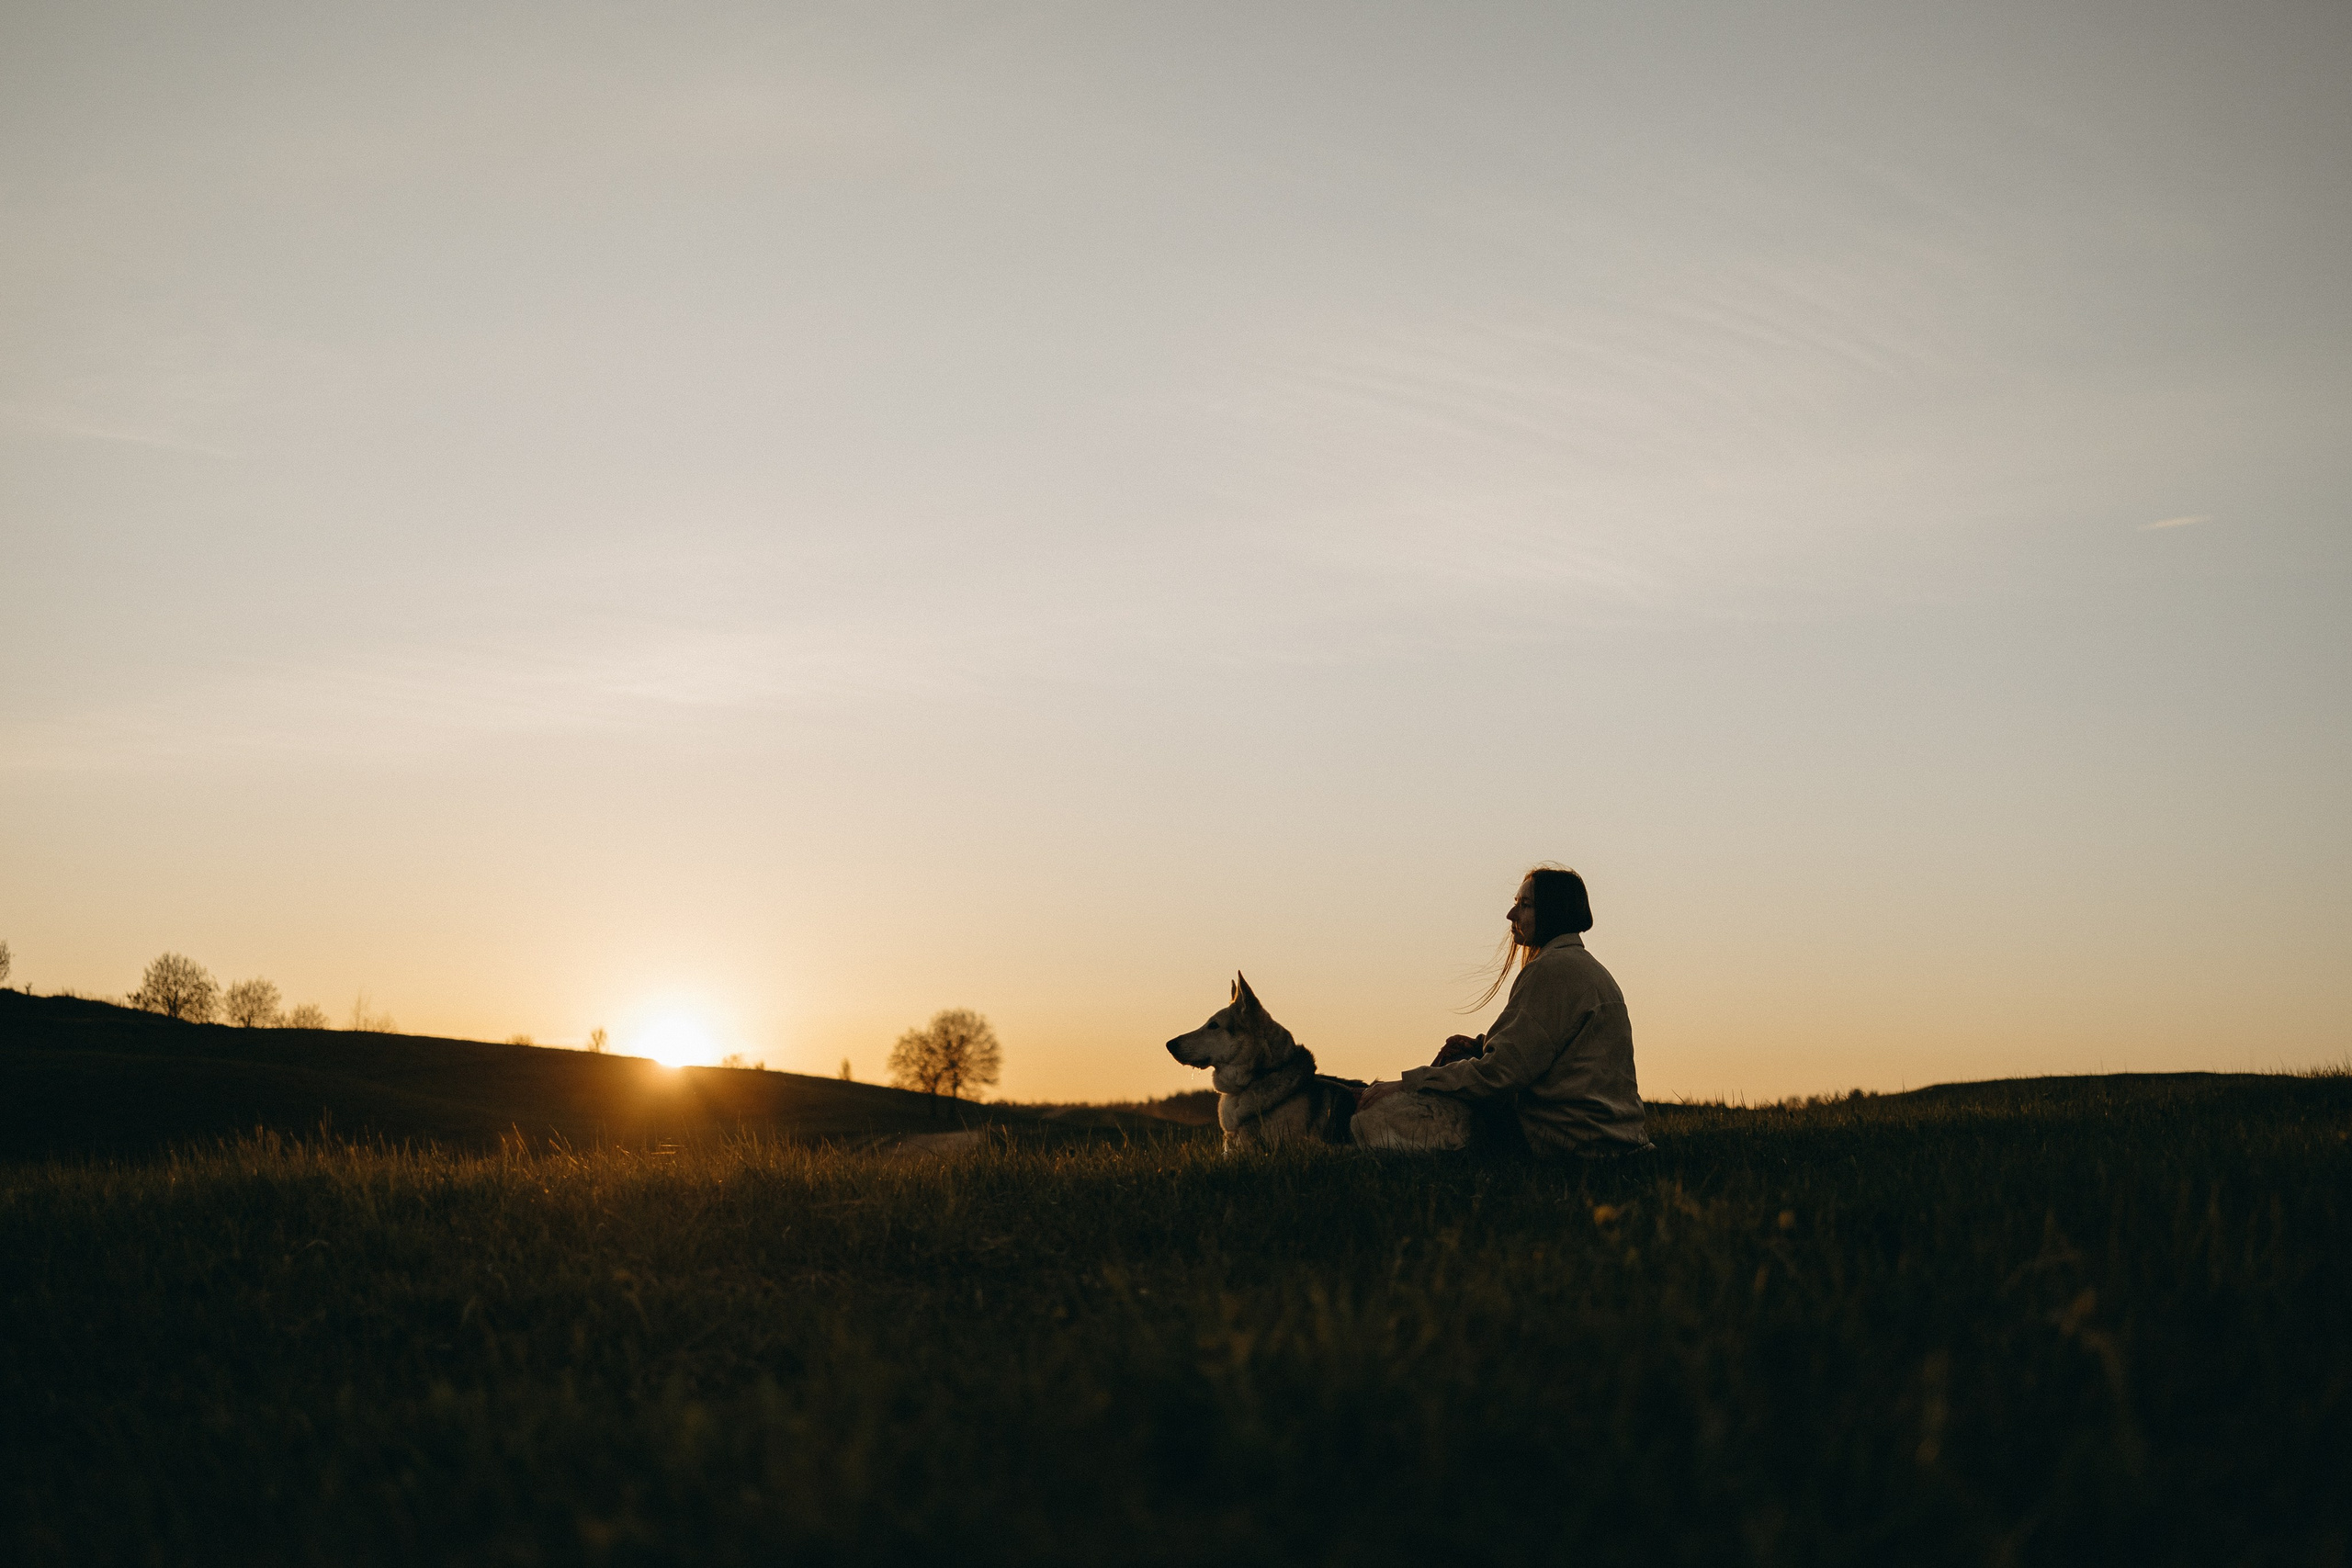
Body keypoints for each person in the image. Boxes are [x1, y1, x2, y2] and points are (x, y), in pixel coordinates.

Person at [1354, 865, 1651, 1157]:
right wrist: (1483, 1045)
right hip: (1611, 1135)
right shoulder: (1587, 968)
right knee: (1460, 1058)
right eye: (1515, 904)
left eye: (1525, 905)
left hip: (1568, 1139)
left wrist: (1410, 1082)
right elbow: (1549, 1049)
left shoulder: (1552, 970)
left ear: (1552, 911)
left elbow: (1501, 1074)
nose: (1512, 915)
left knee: (1390, 1112)